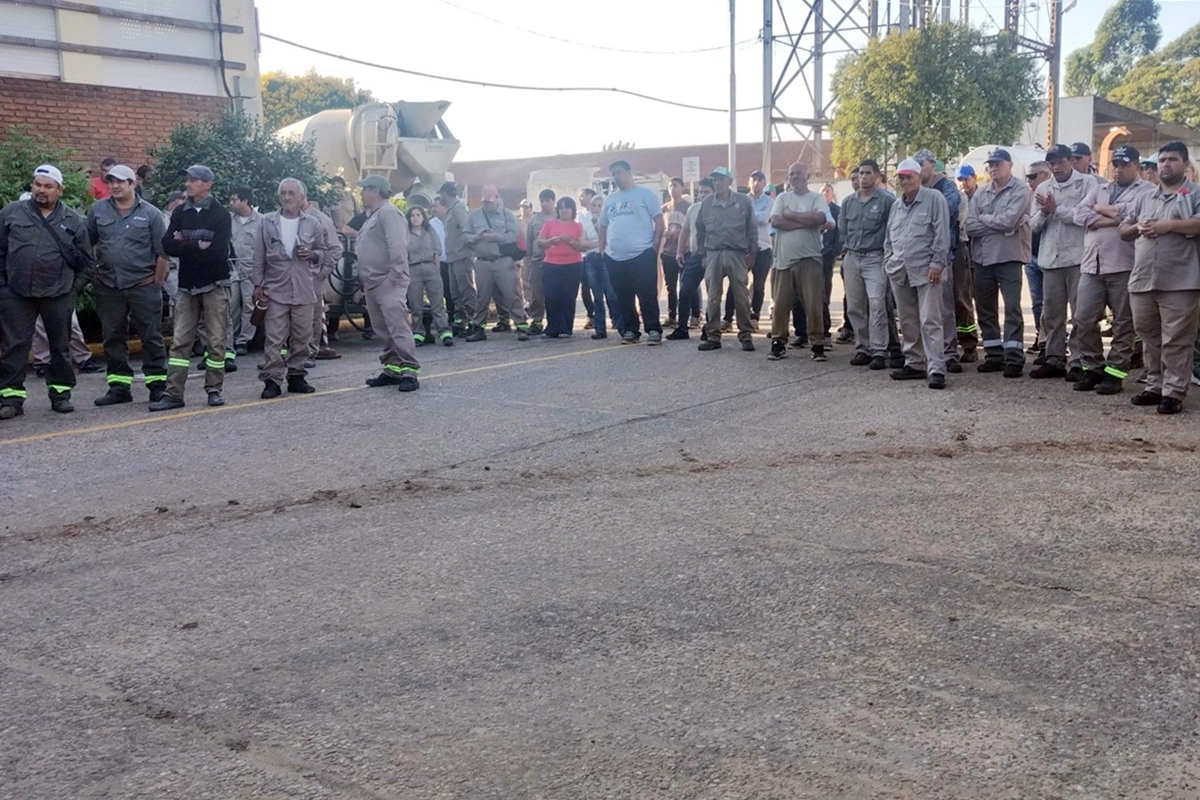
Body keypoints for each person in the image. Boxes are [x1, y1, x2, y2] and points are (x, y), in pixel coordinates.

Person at [0, 165, 94, 419]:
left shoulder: (73, 220)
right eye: (37, 184)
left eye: (48, 186)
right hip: (16, 294)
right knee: (14, 346)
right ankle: (11, 398)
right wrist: (4, 285)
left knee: (60, 347)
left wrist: (71, 289)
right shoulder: (10, 212)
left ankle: (60, 395)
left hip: (58, 294)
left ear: (59, 190)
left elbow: (88, 262)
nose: (41, 190)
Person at [1119, 141, 1200, 415]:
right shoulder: (1144, 197)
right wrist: (1135, 228)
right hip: (1143, 279)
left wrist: (1168, 226)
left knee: (1177, 338)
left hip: (1180, 279)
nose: (1166, 164)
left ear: (1185, 164)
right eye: (1162, 160)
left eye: (1172, 159)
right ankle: (1154, 386)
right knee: (1148, 335)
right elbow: (1122, 228)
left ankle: (1174, 392)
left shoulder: (1194, 193)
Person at [1072, 144, 1153, 395]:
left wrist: (1100, 214)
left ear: (1137, 166)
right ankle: (1093, 368)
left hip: (1124, 265)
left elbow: (1135, 216)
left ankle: (1116, 372)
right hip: (1092, 265)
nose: (1117, 170)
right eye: (1115, 165)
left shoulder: (1147, 191)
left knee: (1123, 323)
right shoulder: (1100, 189)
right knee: (1083, 319)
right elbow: (1078, 215)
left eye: (1124, 165)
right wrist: (1115, 218)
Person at [87, 163, 169, 407]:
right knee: (112, 337)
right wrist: (94, 274)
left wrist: (155, 283)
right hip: (109, 286)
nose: (115, 186)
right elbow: (87, 244)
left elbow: (162, 253)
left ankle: (157, 386)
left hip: (143, 286)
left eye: (121, 181)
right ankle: (119, 387)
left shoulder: (152, 214)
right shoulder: (97, 211)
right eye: (111, 181)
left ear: (133, 184)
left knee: (151, 336)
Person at [152, 164, 233, 411]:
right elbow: (167, 245)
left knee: (216, 340)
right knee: (179, 341)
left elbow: (218, 253)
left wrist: (184, 244)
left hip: (214, 285)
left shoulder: (220, 214)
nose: (188, 184)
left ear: (207, 185)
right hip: (187, 286)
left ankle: (214, 390)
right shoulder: (180, 213)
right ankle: (173, 394)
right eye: (188, 180)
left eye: (194, 180)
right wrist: (197, 245)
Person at [252, 179, 338, 399]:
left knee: (302, 335)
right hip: (275, 288)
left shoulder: (313, 224)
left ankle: (297, 375)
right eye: (283, 193)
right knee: (274, 337)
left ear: (302, 198)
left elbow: (323, 251)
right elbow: (259, 256)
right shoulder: (267, 222)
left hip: (303, 287)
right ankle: (272, 380)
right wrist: (257, 285)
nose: (287, 197)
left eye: (291, 193)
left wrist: (313, 256)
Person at [1030, 144, 1096, 380]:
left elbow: (1083, 217)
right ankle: (1055, 357)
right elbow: (1033, 225)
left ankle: (1079, 360)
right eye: (1051, 163)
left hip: (1077, 257)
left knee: (1081, 313)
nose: (1055, 167)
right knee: (1052, 314)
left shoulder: (1087, 184)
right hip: (1051, 258)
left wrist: (1056, 210)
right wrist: (1046, 212)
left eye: (1059, 162)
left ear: (1070, 161)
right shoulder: (1044, 187)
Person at [884, 159, 951, 389]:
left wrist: (937, 263)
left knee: (930, 320)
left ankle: (936, 368)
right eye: (901, 177)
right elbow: (888, 240)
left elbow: (942, 234)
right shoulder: (896, 206)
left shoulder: (934, 199)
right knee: (907, 320)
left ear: (918, 176)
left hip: (927, 270)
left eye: (909, 176)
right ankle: (914, 363)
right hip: (900, 270)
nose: (905, 181)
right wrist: (888, 262)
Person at [966, 148, 1033, 378]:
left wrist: (988, 221)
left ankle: (1014, 357)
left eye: (998, 164)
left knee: (1012, 309)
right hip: (982, 260)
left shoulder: (1021, 190)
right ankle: (994, 355)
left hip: (1009, 258)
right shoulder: (981, 193)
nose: (994, 168)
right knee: (985, 309)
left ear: (1009, 165)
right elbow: (970, 226)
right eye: (991, 165)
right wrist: (998, 225)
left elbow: (1009, 221)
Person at [355, 175, 421, 392]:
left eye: (364, 189)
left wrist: (395, 276)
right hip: (374, 282)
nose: (362, 193)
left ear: (375, 190)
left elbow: (398, 246)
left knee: (398, 325)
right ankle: (392, 368)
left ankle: (409, 370)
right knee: (383, 328)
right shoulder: (374, 215)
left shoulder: (389, 213)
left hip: (387, 280)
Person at [597, 160, 665, 345]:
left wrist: (654, 248)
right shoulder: (611, 199)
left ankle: (653, 330)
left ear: (629, 172)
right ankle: (631, 330)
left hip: (642, 253)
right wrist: (603, 250)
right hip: (615, 257)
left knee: (646, 294)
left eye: (618, 172)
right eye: (613, 174)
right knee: (623, 295)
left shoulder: (645, 195)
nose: (616, 176)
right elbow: (602, 226)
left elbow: (659, 223)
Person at [768, 161, 830, 361]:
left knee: (813, 304)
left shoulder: (817, 197)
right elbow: (776, 221)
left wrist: (792, 215)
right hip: (783, 260)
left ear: (807, 176)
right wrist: (804, 223)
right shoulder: (782, 197)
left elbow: (820, 218)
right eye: (791, 174)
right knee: (780, 305)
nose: (794, 177)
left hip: (809, 258)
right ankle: (778, 342)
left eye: (798, 173)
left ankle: (817, 344)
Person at [839, 159, 895, 369]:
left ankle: (880, 350)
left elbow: (892, 230)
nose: (863, 177)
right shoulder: (848, 202)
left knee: (877, 304)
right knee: (854, 306)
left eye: (868, 173)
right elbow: (843, 229)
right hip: (853, 257)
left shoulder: (886, 201)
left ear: (877, 176)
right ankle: (863, 347)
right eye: (861, 173)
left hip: (876, 257)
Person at [694, 166, 758, 352]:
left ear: (730, 182)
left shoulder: (743, 201)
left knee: (741, 297)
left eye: (721, 179)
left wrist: (752, 253)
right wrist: (703, 254)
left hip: (737, 253)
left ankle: (745, 335)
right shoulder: (706, 204)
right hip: (713, 253)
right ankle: (713, 336)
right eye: (714, 179)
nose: (717, 183)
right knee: (713, 296)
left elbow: (751, 229)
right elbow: (699, 230)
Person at [913, 150, 962, 372]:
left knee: (944, 308)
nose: (917, 168)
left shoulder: (947, 187)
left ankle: (949, 352)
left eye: (920, 164)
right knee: (922, 311)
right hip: (916, 258)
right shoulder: (912, 189)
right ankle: (928, 353)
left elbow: (947, 209)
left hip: (940, 257)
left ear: (932, 164)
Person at [465, 185, 529, 342]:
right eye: (485, 202)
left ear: (497, 199)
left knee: (511, 294)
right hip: (482, 262)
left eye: (490, 201)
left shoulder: (507, 215)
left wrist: (497, 237)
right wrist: (476, 237)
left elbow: (514, 236)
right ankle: (479, 327)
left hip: (502, 260)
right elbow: (465, 237)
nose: (487, 205)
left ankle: (521, 325)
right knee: (482, 296)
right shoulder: (474, 216)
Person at [669, 178, 714, 341]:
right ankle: (682, 327)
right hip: (694, 256)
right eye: (700, 191)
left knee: (713, 293)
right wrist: (679, 252)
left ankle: (710, 328)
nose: (702, 195)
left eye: (706, 192)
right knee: (685, 289)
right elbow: (685, 231)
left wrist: (709, 255)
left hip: (713, 256)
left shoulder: (718, 209)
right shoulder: (694, 209)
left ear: (714, 193)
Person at [537, 196, 587, 337]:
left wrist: (569, 240)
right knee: (551, 296)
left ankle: (565, 328)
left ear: (573, 210)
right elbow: (540, 242)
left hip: (573, 265)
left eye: (567, 207)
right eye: (562, 207)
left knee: (568, 296)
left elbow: (581, 247)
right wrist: (550, 241)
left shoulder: (578, 225)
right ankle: (552, 327)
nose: (564, 210)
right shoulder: (550, 223)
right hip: (552, 264)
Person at [406, 205, 453, 347]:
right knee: (416, 305)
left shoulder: (430, 231)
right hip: (413, 268)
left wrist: (436, 272)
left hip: (430, 267)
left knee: (437, 303)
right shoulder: (405, 233)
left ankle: (444, 332)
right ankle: (418, 333)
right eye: (412, 215)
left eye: (418, 215)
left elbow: (436, 252)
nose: (415, 218)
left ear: (423, 217)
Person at [437, 181, 477, 335]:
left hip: (462, 257)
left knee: (466, 290)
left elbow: (467, 230)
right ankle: (460, 321)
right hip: (452, 258)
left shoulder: (459, 208)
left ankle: (474, 321)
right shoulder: (450, 210)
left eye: (440, 194)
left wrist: (468, 251)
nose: (439, 198)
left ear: (446, 193)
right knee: (455, 294)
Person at [227, 187, 262, 361]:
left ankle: (244, 341)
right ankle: (230, 341)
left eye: (234, 199)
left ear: (245, 201)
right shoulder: (228, 221)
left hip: (251, 271)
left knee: (250, 305)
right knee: (230, 305)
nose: (231, 203)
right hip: (232, 270)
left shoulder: (261, 221)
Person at [582, 193, 623, 339]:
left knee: (611, 293)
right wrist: (597, 243)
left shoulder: (608, 222)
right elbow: (583, 242)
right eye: (594, 205)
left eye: (600, 205)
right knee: (597, 296)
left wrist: (599, 241)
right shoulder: (586, 222)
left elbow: (608, 239)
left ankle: (622, 326)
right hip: (591, 258)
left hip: (605, 257)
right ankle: (600, 329)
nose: (597, 208)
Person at [1023, 162, 1051, 356]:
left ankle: (1052, 343)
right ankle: (1040, 339)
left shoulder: (1054, 195)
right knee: (1037, 303)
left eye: (1032, 177)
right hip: (1031, 255)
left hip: (1050, 257)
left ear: (1044, 174)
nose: (1029, 181)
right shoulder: (1030, 197)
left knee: (1051, 303)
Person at [525, 189, 555, 334]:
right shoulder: (535, 220)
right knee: (536, 294)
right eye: (542, 200)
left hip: (556, 262)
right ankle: (537, 322)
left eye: (547, 200)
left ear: (553, 201)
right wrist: (530, 260)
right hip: (537, 262)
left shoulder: (559, 216)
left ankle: (554, 321)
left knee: (553, 294)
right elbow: (529, 241)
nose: (544, 204)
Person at [746, 170, 774, 327]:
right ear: (748, 182)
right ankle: (729, 317)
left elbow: (763, 219)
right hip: (744, 248)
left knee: (758, 285)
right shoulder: (742, 199)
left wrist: (748, 215)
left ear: (764, 183)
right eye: (753, 179)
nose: (756, 183)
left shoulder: (769, 202)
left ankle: (754, 316)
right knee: (737, 283)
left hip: (763, 247)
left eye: (759, 180)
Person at [816, 182, 842, 350]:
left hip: (827, 255)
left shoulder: (836, 211)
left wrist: (833, 251)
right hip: (812, 254)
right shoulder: (815, 208)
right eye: (822, 191)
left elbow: (840, 233)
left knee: (824, 292)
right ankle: (805, 332)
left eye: (828, 191)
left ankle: (825, 332)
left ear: (832, 194)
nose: (825, 193)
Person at [661, 177, 689, 326]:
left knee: (685, 285)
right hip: (668, 251)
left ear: (682, 188)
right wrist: (665, 233)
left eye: (676, 185)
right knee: (670, 286)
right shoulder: (664, 209)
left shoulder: (688, 207)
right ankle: (672, 316)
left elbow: (690, 229)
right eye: (670, 186)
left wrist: (679, 233)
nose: (673, 188)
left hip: (684, 251)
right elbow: (659, 228)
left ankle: (692, 315)